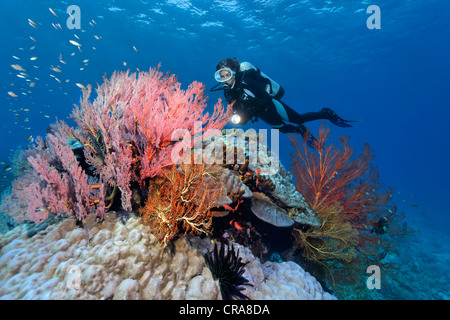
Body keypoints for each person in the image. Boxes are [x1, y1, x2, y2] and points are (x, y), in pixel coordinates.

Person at [211, 57, 356, 148]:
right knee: (284, 129)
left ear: (234, 72)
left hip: (271, 105)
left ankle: (326, 113)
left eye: (227, 74)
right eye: (221, 76)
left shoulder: (246, 81)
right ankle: (301, 131)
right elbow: (239, 111)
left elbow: (265, 97)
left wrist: (257, 106)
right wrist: (240, 118)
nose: (225, 79)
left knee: (299, 118)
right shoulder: (228, 92)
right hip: (261, 113)